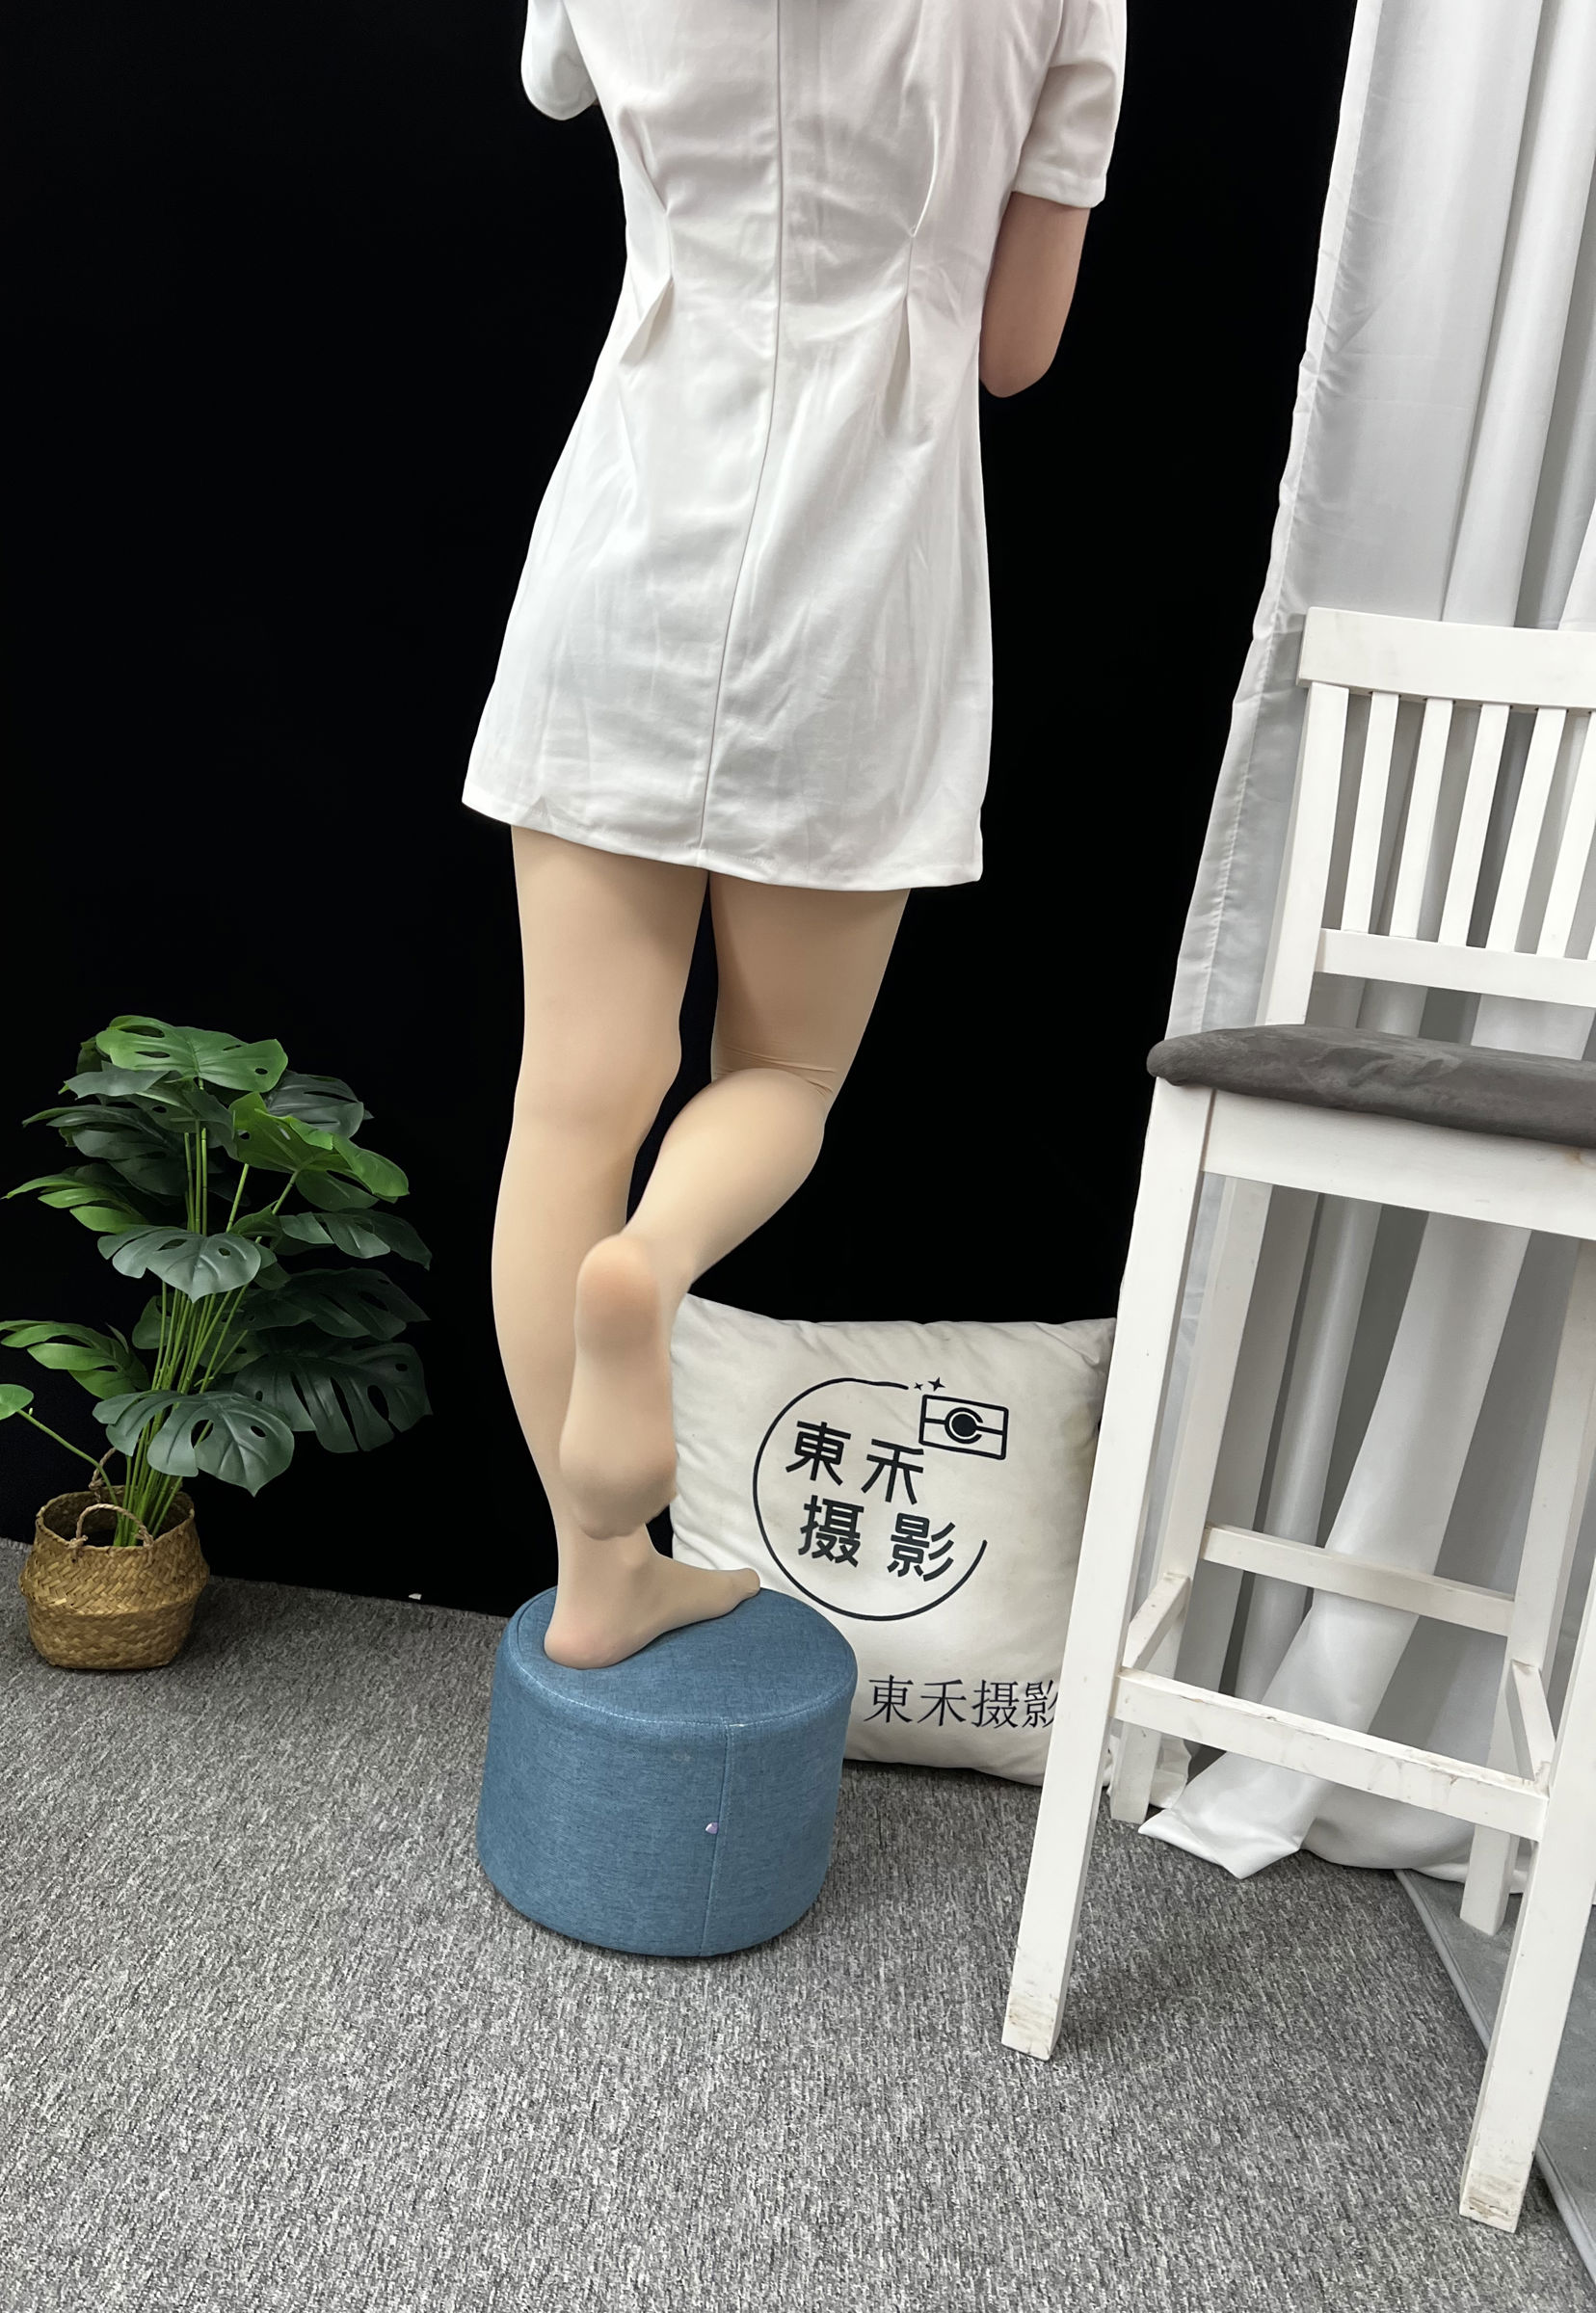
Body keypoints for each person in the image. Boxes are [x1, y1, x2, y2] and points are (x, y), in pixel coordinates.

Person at [465, 0, 1126, 1668]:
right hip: (860, 589)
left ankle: (600, 1572)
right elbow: (1015, 348)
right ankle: (658, 1258)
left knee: (570, 1101)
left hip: (627, 551)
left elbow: (554, 85)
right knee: (782, 1074)